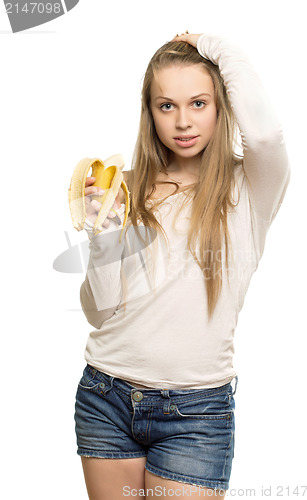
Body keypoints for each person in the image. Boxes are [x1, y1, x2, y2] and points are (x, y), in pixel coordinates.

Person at [74, 31, 290, 499]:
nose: (183, 121)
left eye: (199, 103)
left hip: (196, 413)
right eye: (166, 105)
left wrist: (216, 46)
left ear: (221, 106)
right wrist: (104, 236)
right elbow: (99, 311)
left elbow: (267, 134)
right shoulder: (123, 188)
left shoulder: (250, 187)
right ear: (149, 113)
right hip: (106, 396)